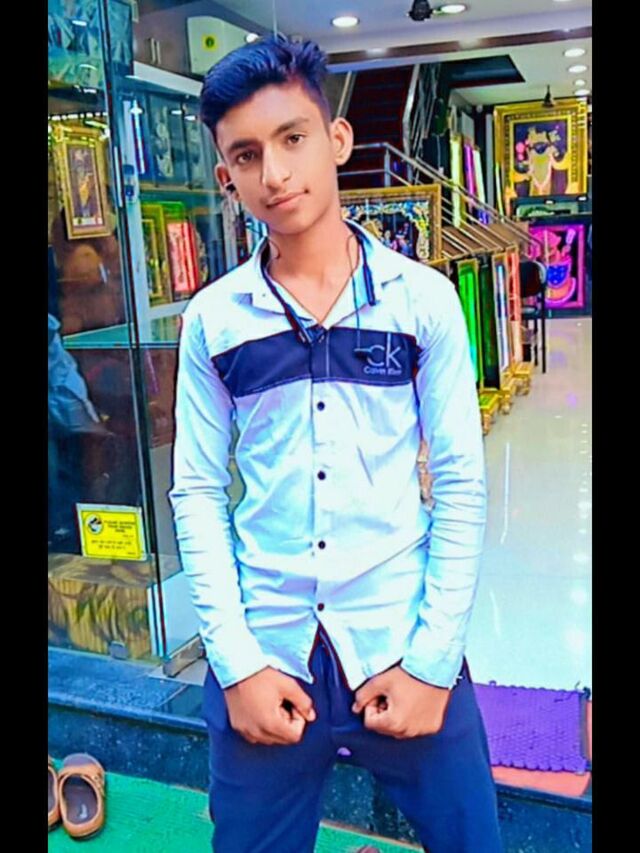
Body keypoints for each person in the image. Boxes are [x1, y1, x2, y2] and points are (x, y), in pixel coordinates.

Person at [169, 35, 502, 853]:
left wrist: (433, 662)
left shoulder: (422, 302)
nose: (275, 173)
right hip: (269, 649)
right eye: (247, 155)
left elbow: (460, 482)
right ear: (227, 176)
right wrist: (237, 663)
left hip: (401, 636)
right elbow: (197, 492)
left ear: (338, 139)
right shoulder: (214, 321)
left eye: (293, 138)